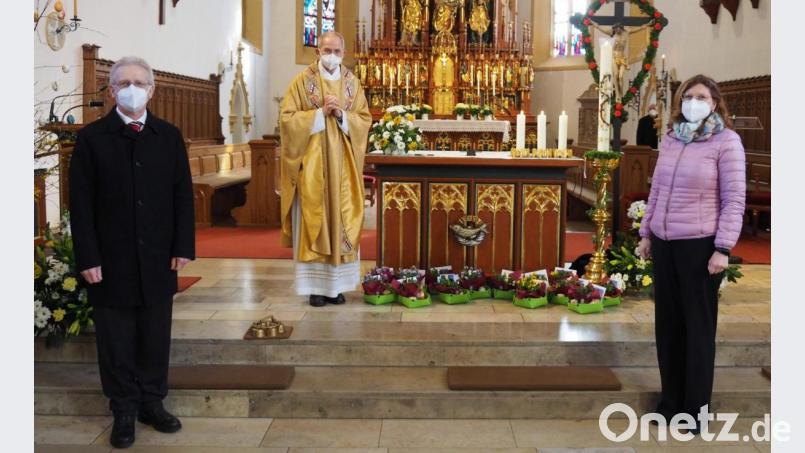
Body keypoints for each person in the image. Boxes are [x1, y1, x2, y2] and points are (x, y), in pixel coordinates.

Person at [69, 56, 195, 449]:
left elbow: (181, 196)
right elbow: (81, 204)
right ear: (111, 91)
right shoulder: (92, 139)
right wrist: (87, 257)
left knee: (155, 333)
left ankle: (152, 402)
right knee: (116, 337)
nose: (132, 88)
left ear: (152, 90)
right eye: (124, 82)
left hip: (158, 255)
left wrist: (183, 247)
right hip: (110, 258)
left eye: (140, 82)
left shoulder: (169, 135)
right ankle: (123, 408)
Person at [637, 74, 745, 432]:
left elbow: (733, 200)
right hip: (666, 244)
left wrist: (723, 248)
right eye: (688, 96)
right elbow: (656, 191)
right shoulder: (671, 139)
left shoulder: (726, 142)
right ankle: (670, 404)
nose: (693, 102)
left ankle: (694, 411)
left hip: (700, 245)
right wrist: (646, 232)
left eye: (701, 96)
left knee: (697, 329)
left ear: (714, 103)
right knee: (667, 326)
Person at [279, 31, 372, 307]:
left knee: (342, 218)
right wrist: (319, 114)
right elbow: (287, 119)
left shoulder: (352, 84)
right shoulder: (301, 82)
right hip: (312, 167)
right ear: (317, 51)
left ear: (343, 53)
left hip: (343, 167)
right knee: (314, 220)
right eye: (326, 49)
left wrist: (342, 114)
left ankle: (337, 287)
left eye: (336, 51)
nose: (331, 55)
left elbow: (364, 119)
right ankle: (315, 288)